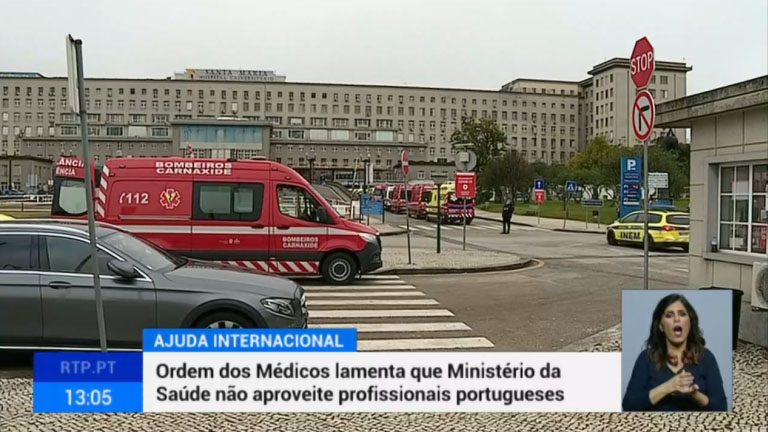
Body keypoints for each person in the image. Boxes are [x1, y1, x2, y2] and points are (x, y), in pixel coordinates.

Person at [622, 294, 727, 411]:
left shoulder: (706, 357)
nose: (677, 319)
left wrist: (694, 394)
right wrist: (668, 387)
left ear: (690, 322)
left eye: (682, 314)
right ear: (661, 326)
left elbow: (721, 407)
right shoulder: (646, 358)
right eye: (669, 315)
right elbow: (629, 404)